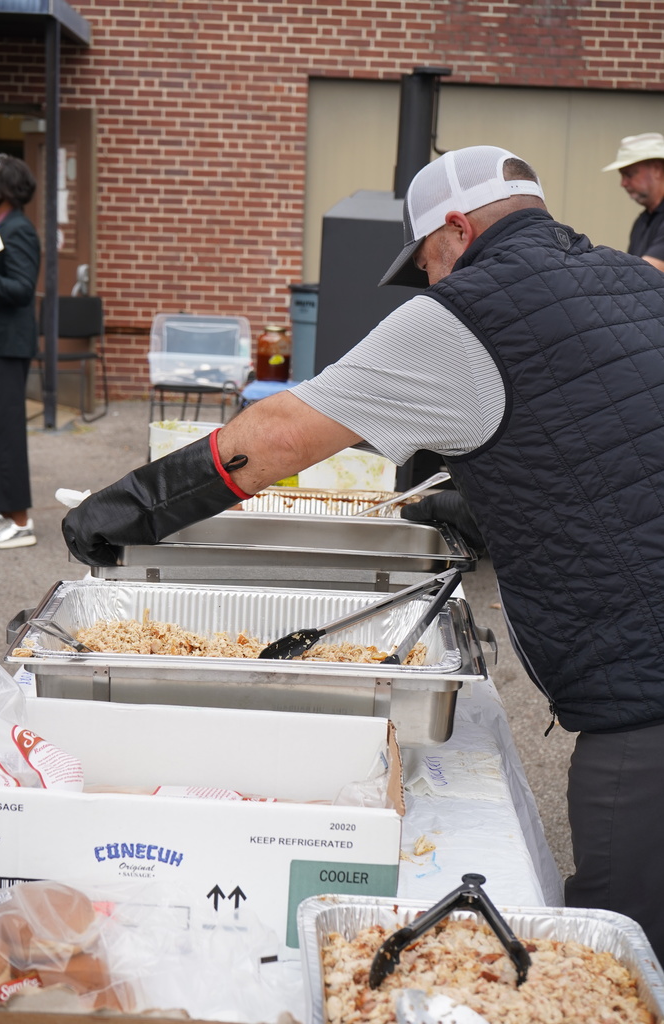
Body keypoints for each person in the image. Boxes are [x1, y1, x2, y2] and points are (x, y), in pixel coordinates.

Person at [63, 144, 664, 962]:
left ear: (455, 228)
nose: (429, 281)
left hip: (643, 699)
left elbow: (275, 436)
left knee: (618, 952)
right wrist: (497, 503)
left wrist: (127, 509)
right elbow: (611, 438)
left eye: (426, 261)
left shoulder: (461, 312)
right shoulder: (639, 278)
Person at [0, 153, 40, 549]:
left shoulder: (18, 230)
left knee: (4, 434)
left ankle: (20, 523)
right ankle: (3, 514)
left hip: (5, 345)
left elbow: (21, 289)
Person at [602, 131, 664, 269]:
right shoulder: (642, 221)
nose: (623, 183)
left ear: (657, 169)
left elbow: (646, 274)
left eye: (629, 174)